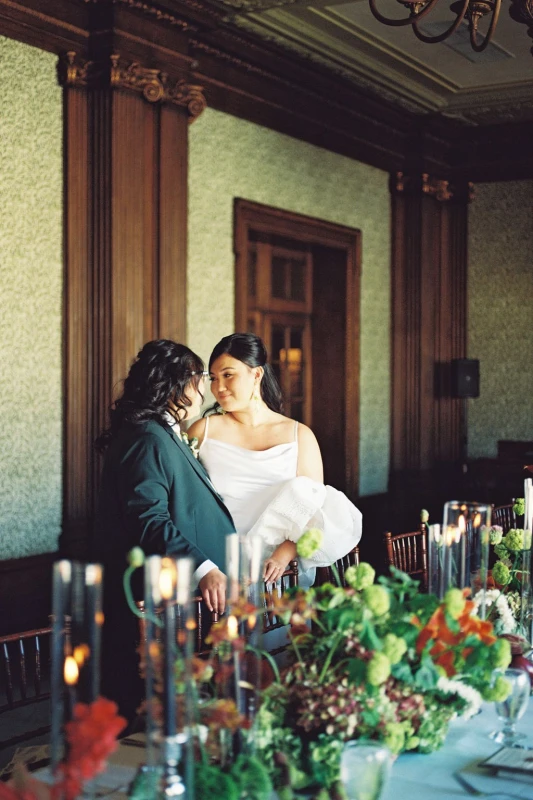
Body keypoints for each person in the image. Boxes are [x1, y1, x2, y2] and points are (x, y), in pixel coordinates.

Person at [92, 339, 235, 724]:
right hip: (163, 598)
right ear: (177, 382)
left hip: (182, 597)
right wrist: (204, 568)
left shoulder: (161, 431)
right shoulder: (146, 437)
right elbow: (148, 518)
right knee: (165, 703)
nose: (204, 387)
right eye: (199, 377)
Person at [188, 333, 362, 586]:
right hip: (218, 567)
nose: (218, 387)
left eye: (228, 375)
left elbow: (313, 511)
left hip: (278, 571)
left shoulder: (299, 436)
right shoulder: (202, 431)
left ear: (256, 374)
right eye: (213, 378)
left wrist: (282, 557)